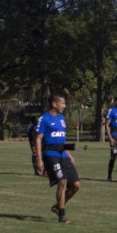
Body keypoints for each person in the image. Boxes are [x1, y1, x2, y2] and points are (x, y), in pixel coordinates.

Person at [34, 94, 79, 224]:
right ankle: (62, 215)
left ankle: (57, 206)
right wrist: (39, 159)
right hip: (50, 155)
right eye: (63, 103)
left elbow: (62, 139)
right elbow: (38, 139)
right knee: (62, 181)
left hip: (63, 155)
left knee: (76, 186)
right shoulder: (44, 119)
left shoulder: (62, 118)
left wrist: (68, 154)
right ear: (54, 104)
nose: (64, 106)